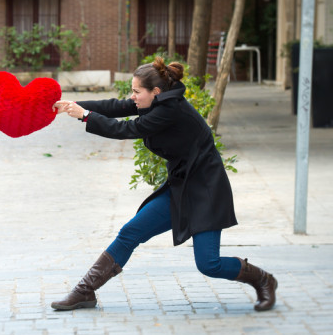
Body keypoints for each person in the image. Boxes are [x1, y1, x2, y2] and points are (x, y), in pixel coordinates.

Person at [51, 57, 278, 312]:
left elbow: (126, 129)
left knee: (209, 265)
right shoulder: (156, 101)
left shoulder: (170, 111)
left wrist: (85, 116)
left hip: (207, 191)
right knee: (131, 232)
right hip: (180, 186)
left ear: (155, 92)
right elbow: (115, 106)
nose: (132, 96)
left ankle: (263, 279)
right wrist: (73, 105)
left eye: (137, 91)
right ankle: (84, 292)